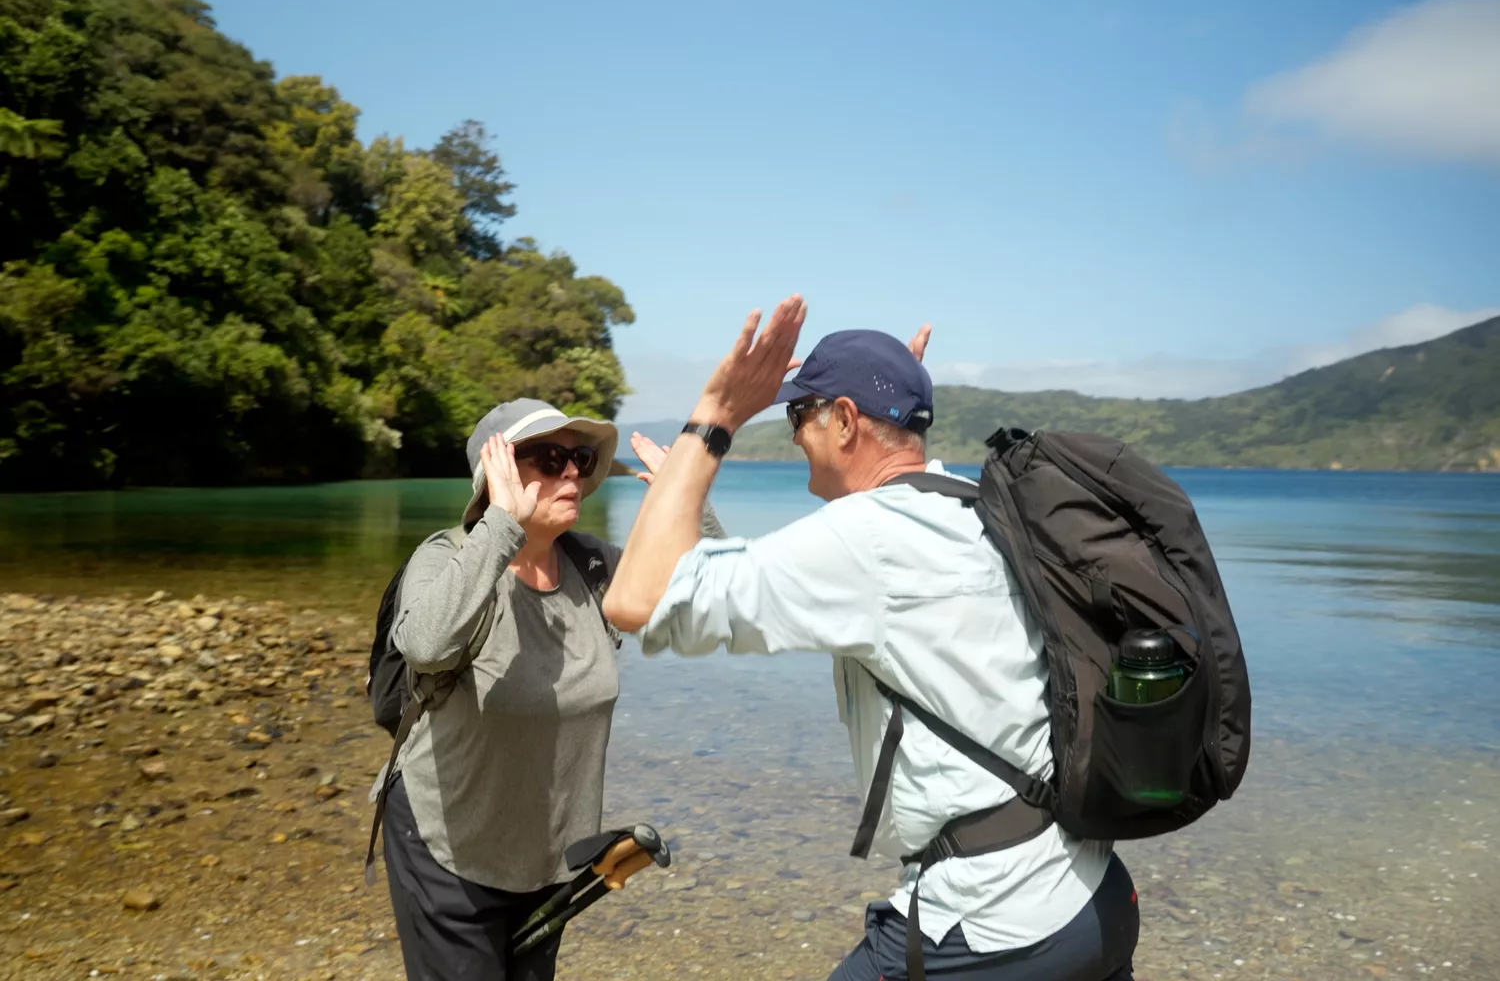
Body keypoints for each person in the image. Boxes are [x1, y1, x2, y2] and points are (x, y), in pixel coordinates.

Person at [602, 297, 1139, 981]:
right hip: (1093, 896)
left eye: (801, 415)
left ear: (846, 420)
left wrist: (715, 417)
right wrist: (695, 521)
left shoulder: (868, 542)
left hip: (991, 929)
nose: (795, 434)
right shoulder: (974, 507)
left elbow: (634, 600)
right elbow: (808, 584)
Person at [378, 397, 720, 981]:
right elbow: (426, 644)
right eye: (548, 457)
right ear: (499, 473)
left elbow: (712, 608)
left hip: (545, 858)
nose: (572, 474)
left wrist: (687, 502)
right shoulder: (445, 559)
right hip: (446, 845)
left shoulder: (593, 569)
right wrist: (502, 528)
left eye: (581, 459)